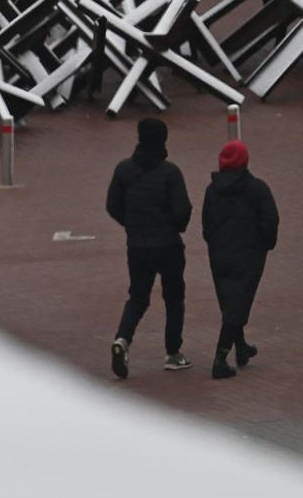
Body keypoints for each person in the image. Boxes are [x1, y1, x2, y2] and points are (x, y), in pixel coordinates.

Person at [106, 118, 193, 379]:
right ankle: (173, 353)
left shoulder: (124, 170)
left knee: (138, 297)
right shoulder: (170, 172)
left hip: (138, 246)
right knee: (174, 298)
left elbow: (112, 206)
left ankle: (122, 339)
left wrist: (131, 225)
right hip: (168, 245)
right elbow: (182, 211)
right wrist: (176, 226)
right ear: (163, 139)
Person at [201, 140, 279, 380]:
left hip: (219, 254)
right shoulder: (257, 189)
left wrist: (214, 244)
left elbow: (206, 224)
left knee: (230, 302)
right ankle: (220, 358)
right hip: (249, 254)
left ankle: (241, 348)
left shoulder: (212, 190)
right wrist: (266, 244)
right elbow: (270, 221)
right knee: (238, 305)